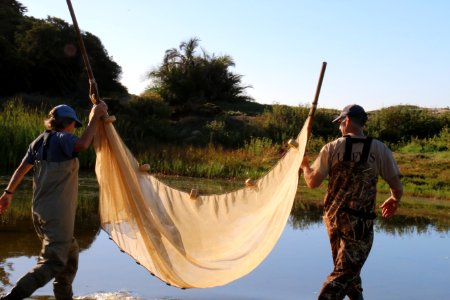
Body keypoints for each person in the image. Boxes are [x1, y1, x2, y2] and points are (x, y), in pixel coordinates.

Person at [0, 101, 108, 300]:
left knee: (70, 254)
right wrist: (94, 117)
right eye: (74, 125)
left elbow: (21, 170)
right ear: (67, 123)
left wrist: (8, 193)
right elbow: (83, 144)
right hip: (57, 215)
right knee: (54, 262)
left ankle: (63, 297)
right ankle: (11, 298)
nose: (74, 129)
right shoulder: (63, 138)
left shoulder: (38, 141)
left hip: (40, 211)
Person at [300, 104, 403, 300]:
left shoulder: (331, 147)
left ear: (346, 121)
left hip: (333, 219)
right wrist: (395, 198)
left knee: (347, 270)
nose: (339, 126)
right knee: (345, 273)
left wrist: (304, 165)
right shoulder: (380, 148)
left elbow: (312, 182)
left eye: (339, 122)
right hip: (359, 223)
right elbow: (397, 186)